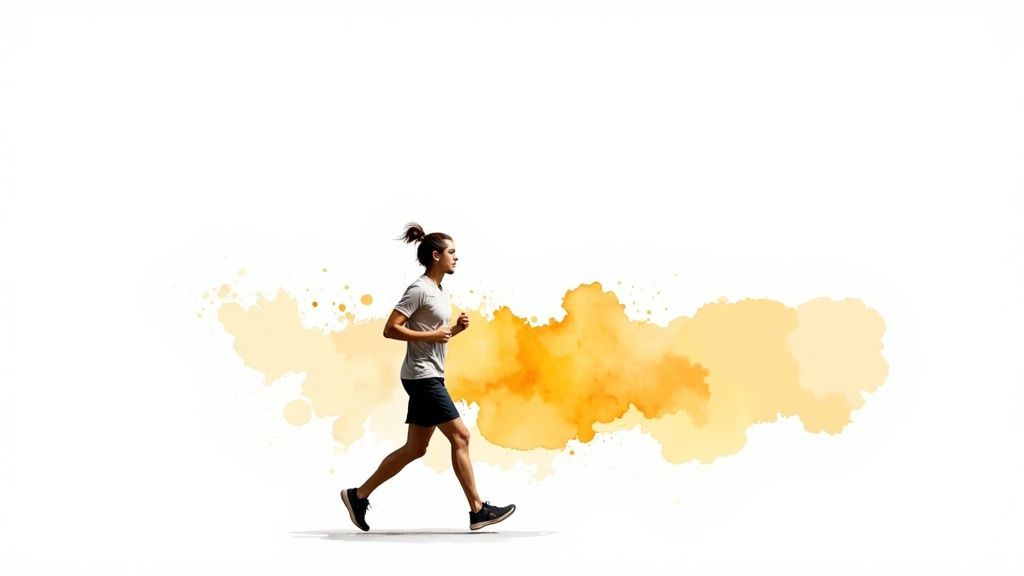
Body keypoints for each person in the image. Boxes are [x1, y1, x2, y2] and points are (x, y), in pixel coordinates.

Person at [340, 223, 516, 532]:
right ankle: (477, 510)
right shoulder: (419, 289)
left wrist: (454, 330)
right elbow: (390, 328)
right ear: (436, 256)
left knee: (415, 449)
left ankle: (358, 495)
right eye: (451, 253)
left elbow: (432, 337)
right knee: (461, 435)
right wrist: (435, 333)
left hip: (428, 374)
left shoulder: (439, 292)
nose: (456, 258)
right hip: (422, 378)